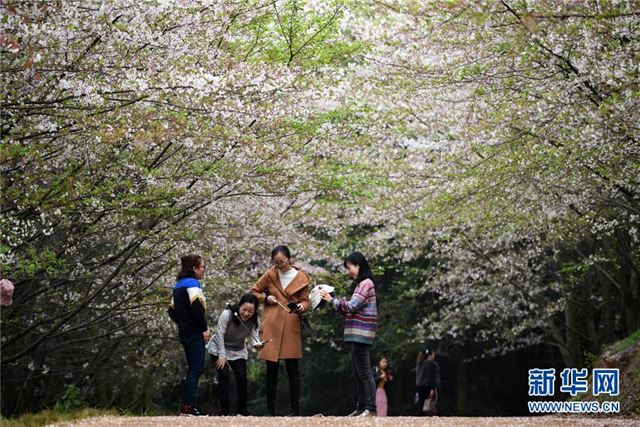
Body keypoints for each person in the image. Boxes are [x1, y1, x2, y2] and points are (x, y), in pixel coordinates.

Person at [250, 245, 311, 416]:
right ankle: (270, 410)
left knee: (293, 369)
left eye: (282, 262)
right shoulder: (270, 274)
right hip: (272, 323)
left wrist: (301, 306)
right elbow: (254, 292)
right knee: (271, 368)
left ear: (289, 259)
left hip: (291, 321)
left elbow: (306, 301)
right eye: (276, 262)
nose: (280, 265)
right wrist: (266, 298)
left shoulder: (301, 277)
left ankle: (295, 409)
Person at [320, 251, 377, 417]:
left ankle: (371, 408)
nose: (348, 271)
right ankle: (361, 408)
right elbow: (351, 307)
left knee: (365, 372)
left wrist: (331, 301)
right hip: (357, 333)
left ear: (358, 265)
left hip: (361, 333)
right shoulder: (362, 285)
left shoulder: (366, 284)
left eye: (349, 267)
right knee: (359, 373)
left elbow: (351, 306)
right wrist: (335, 300)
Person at [168, 254, 211, 416]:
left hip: (184, 332)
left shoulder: (178, 286)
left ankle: (189, 406)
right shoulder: (193, 284)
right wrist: (204, 328)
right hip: (194, 332)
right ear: (194, 269)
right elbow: (196, 307)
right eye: (202, 267)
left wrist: (182, 323)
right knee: (196, 369)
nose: (204, 270)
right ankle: (188, 407)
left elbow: (171, 310)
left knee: (192, 369)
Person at [208, 293, 263, 416]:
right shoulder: (227, 314)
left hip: (237, 349)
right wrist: (222, 356)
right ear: (239, 306)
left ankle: (242, 410)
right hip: (219, 347)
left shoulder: (255, 320)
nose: (246, 314)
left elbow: (254, 337)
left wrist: (257, 344)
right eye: (244, 309)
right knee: (224, 374)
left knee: (242, 376)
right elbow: (220, 335)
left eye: (250, 311)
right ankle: (225, 411)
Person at [414, 349, 437, 416]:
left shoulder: (419, 363)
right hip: (427, 386)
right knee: (427, 406)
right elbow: (432, 377)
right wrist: (433, 388)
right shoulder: (431, 364)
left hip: (419, 386)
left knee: (420, 404)